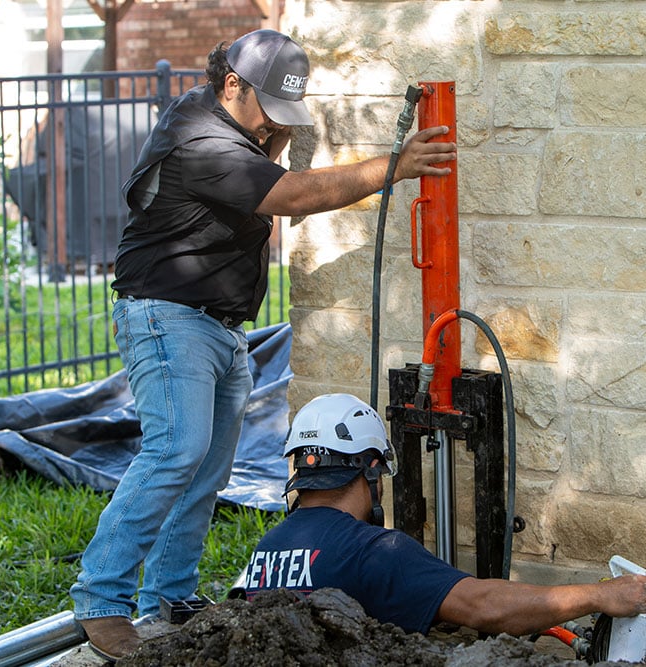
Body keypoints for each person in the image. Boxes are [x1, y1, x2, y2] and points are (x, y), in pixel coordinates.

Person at [70, 29, 456, 660]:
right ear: (232, 86)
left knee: (206, 468)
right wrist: (395, 167)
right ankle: (101, 596)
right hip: (169, 318)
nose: (276, 125)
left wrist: (274, 132)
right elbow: (294, 198)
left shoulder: (237, 130)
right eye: (269, 110)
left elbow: (288, 204)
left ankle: (168, 598)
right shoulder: (201, 137)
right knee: (176, 451)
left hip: (220, 326)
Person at [236, 393, 646, 638]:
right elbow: (484, 606)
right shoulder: (375, 551)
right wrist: (601, 596)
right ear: (372, 469)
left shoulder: (265, 549)